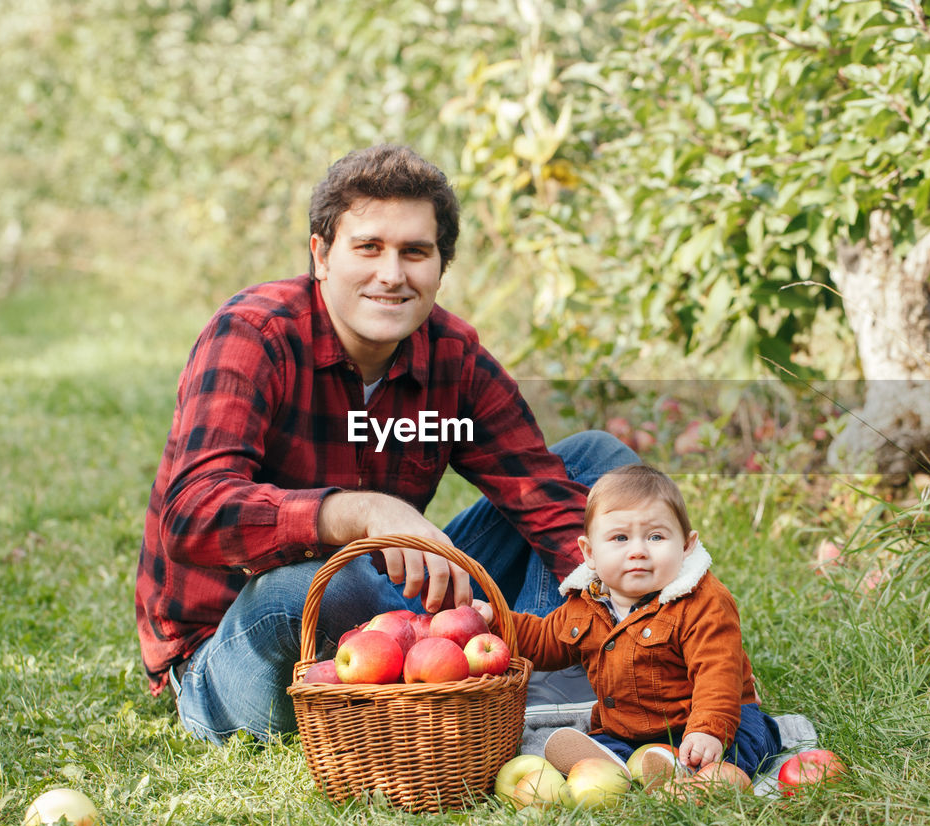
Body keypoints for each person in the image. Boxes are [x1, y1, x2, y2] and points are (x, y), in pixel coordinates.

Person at [134, 144, 637, 745]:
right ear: (321, 255)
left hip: (397, 618)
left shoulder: (452, 356)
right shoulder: (255, 335)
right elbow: (192, 515)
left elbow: (545, 499)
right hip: (241, 645)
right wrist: (359, 510)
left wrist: (662, 616)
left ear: (440, 268)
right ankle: (500, 692)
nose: (392, 274)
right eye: (368, 247)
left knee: (598, 469)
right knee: (330, 583)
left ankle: (539, 673)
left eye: (414, 252)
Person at [474, 463, 782, 784]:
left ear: (687, 546)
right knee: (611, 743)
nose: (638, 551)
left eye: (656, 536)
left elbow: (717, 673)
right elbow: (544, 640)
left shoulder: (702, 600)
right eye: (620, 538)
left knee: (744, 742)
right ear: (590, 553)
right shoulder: (587, 601)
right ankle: (618, 763)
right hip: (629, 727)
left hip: (711, 714)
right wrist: (496, 621)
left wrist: (708, 729)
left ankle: (709, 778)